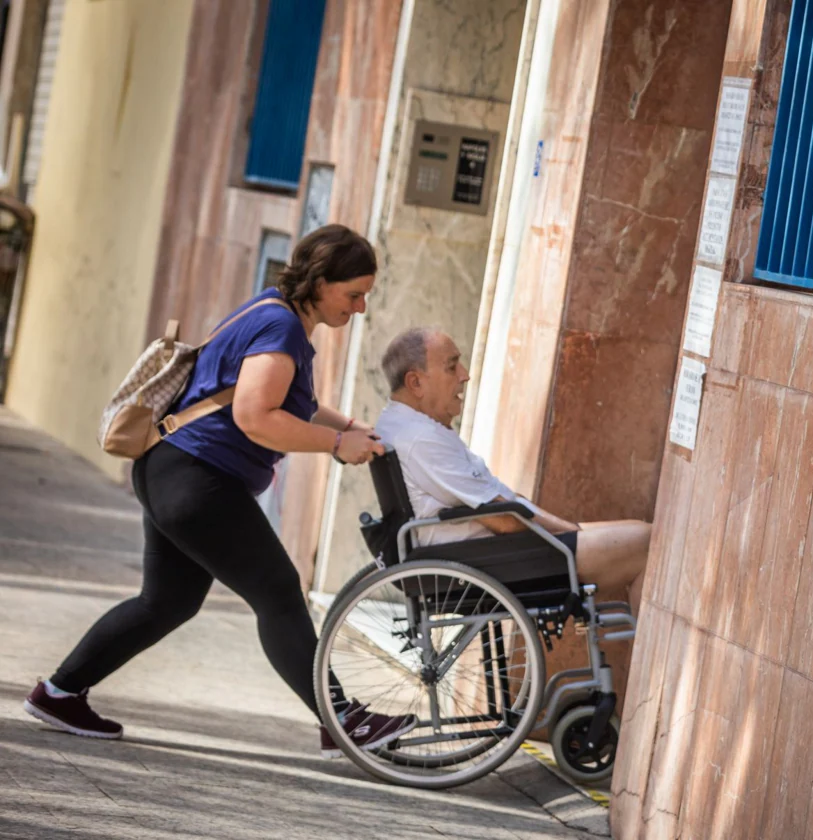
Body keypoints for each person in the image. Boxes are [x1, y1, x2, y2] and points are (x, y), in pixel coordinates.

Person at [23, 224, 413, 758]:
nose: (361, 307)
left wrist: (349, 426)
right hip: (198, 481)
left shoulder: (270, 311)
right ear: (320, 281)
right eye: (354, 294)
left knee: (167, 601)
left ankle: (59, 692)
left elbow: (279, 401)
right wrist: (334, 443)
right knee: (278, 589)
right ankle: (343, 720)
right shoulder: (281, 328)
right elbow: (257, 416)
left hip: (171, 470)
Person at [375, 328, 649, 614]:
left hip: (488, 552)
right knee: (644, 542)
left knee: (637, 535)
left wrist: (569, 530)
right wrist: (566, 532)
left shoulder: (399, 423)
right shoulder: (420, 437)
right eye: (452, 366)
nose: (464, 375)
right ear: (415, 382)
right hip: (497, 559)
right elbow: (504, 519)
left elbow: (501, 503)